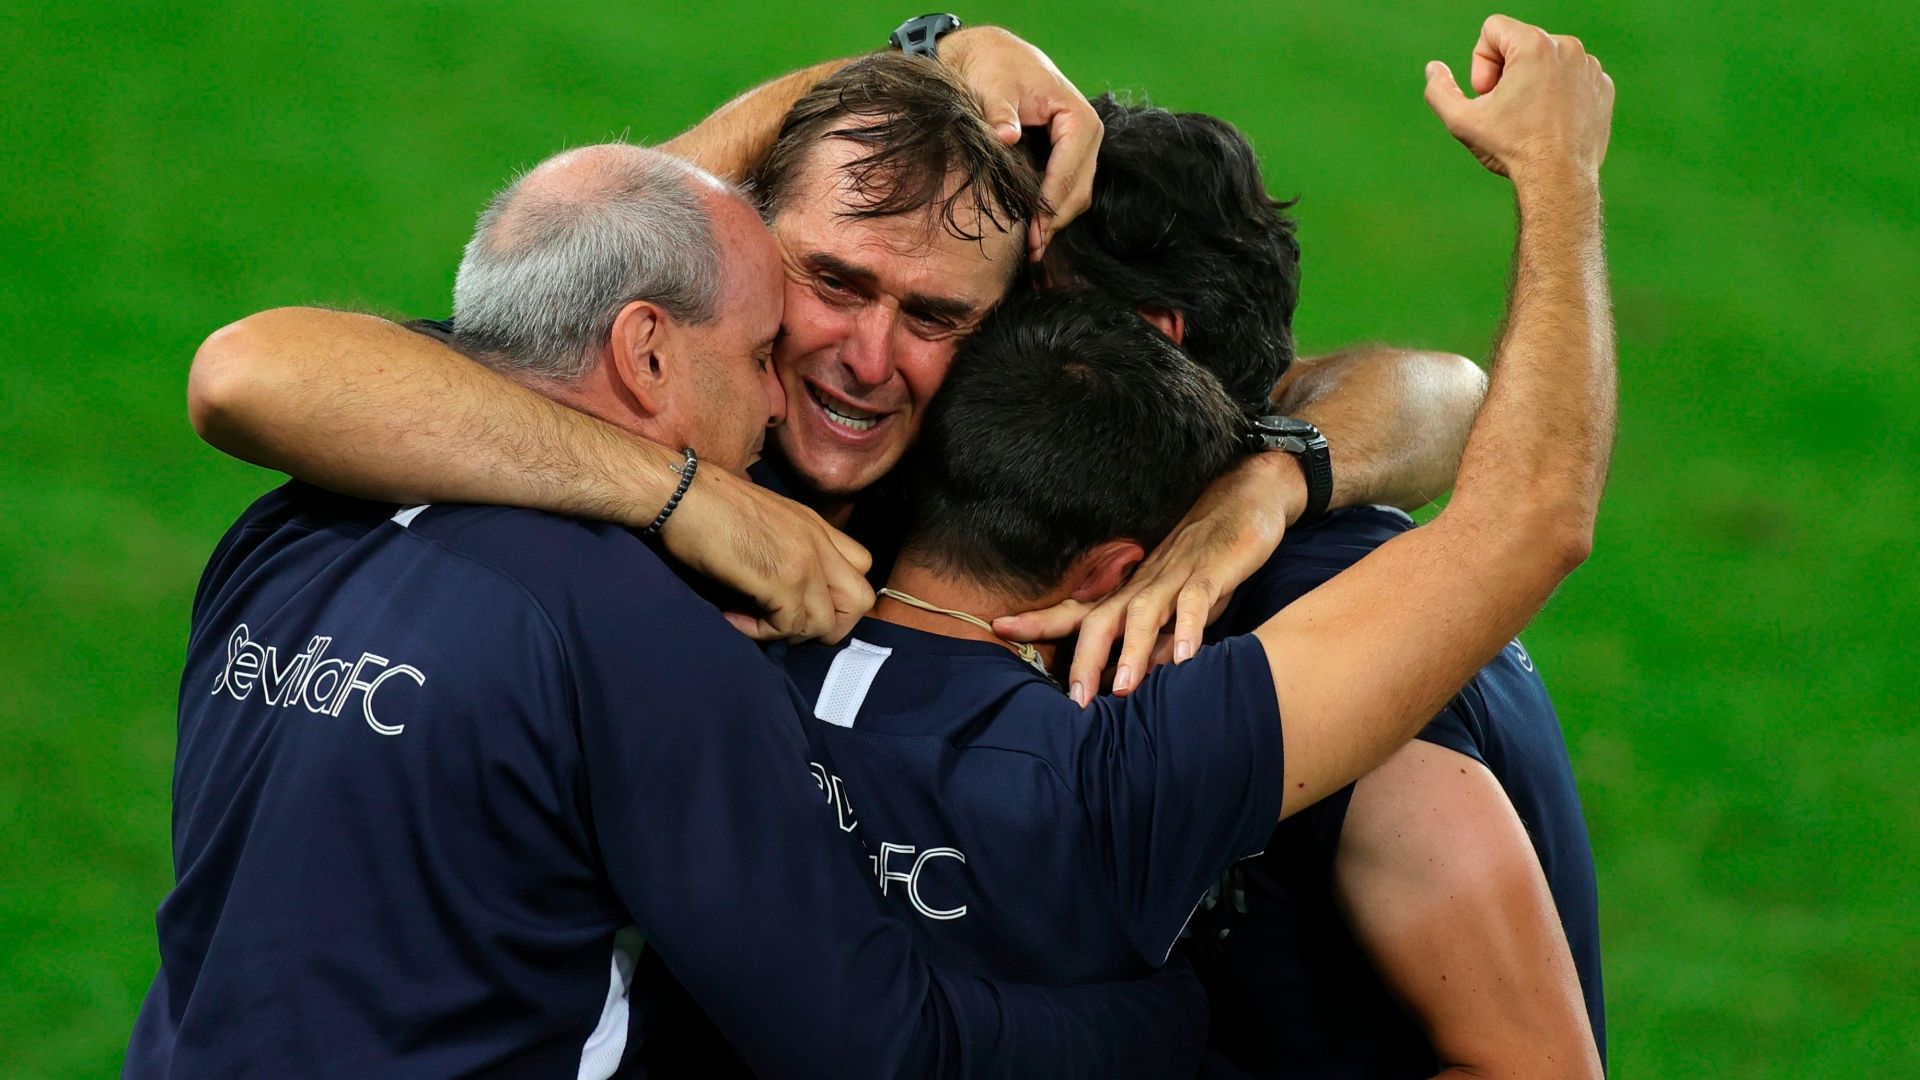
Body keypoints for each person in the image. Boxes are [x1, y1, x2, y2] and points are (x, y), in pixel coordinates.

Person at [125, 143, 1211, 1080]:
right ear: (646, 351)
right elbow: (870, 1043)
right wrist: (1164, 1021)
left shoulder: (285, 528)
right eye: (759, 354)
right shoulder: (649, 635)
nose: (780, 397)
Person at [761, 18, 1615, 1059]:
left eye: (1003, 311)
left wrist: (1558, 177)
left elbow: (1538, 1062)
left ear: (1130, 342)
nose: (942, 350)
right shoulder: (1081, 513)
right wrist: (939, 54)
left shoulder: (1316, 624)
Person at [184, 31, 1488, 659]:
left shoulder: (992, 452)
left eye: (933, 316)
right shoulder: (650, 397)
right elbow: (249, 373)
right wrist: (684, 496)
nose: (868, 358)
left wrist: (1267, 481)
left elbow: (1446, 395)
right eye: (830, 284)